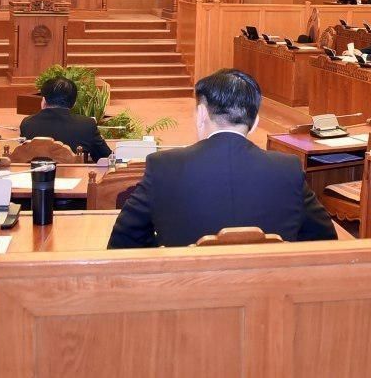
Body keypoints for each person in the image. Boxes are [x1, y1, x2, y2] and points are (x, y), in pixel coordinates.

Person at [108, 69, 335, 248]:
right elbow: (324, 239)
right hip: (269, 290)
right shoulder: (287, 168)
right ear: (255, 123)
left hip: (187, 289)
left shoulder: (164, 166)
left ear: (201, 114)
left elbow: (123, 241)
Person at [19, 76, 113, 163]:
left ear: (44, 100)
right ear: (74, 103)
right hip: (75, 175)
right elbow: (106, 158)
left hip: (36, 175)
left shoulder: (27, 123)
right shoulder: (87, 125)